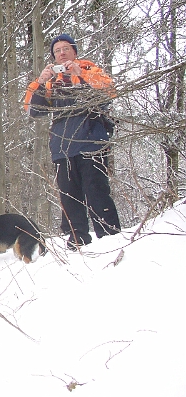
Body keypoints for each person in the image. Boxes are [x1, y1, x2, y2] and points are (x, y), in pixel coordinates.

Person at [23, 34, 121, 249]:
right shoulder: (50, 81)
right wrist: (39, 82)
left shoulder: (89, 70)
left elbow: (108, 95)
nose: (62, 53)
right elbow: (33, 110)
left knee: (96, 190)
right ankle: (77, 237)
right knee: (69, 195)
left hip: (91, 142)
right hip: (62, 147)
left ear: (75, 52)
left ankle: (109, 235)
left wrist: (81, 75)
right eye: (57, 50)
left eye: (66, 48)